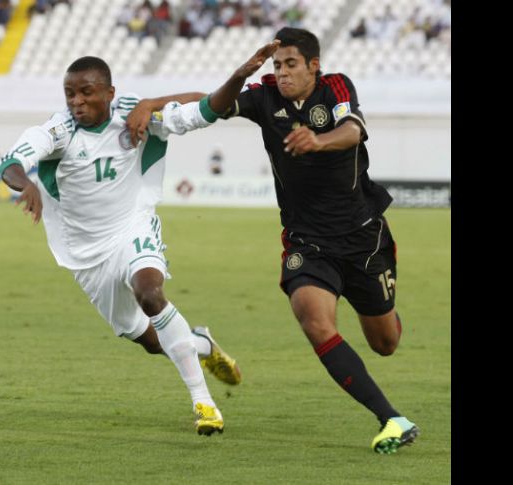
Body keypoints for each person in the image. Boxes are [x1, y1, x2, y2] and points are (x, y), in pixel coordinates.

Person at [128, 27, 420, 454]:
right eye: (276, 65)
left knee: (385, 343)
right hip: (308, 240)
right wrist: (159, 101)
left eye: (290, 65)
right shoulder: (265, 96)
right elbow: (211, 104)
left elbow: (354, 130)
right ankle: (392, 418)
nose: (281, 73)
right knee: (313, 318)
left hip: (363, 236)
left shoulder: (336, 87)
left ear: (312, 66)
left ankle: (384, 311)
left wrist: (317, 140)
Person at [0, 55, 264, 435]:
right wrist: (26, 185)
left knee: (150, 293)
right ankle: (200, 344)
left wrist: (155, 103)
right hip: (85, 255)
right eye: (70, 93)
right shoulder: (58, 131)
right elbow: (10, 162)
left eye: (87, 93)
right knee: (153, 342)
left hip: (132, 226)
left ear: (109, 92)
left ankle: (204, 403)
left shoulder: (136, 115)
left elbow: (205, 107)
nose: (77, 102)